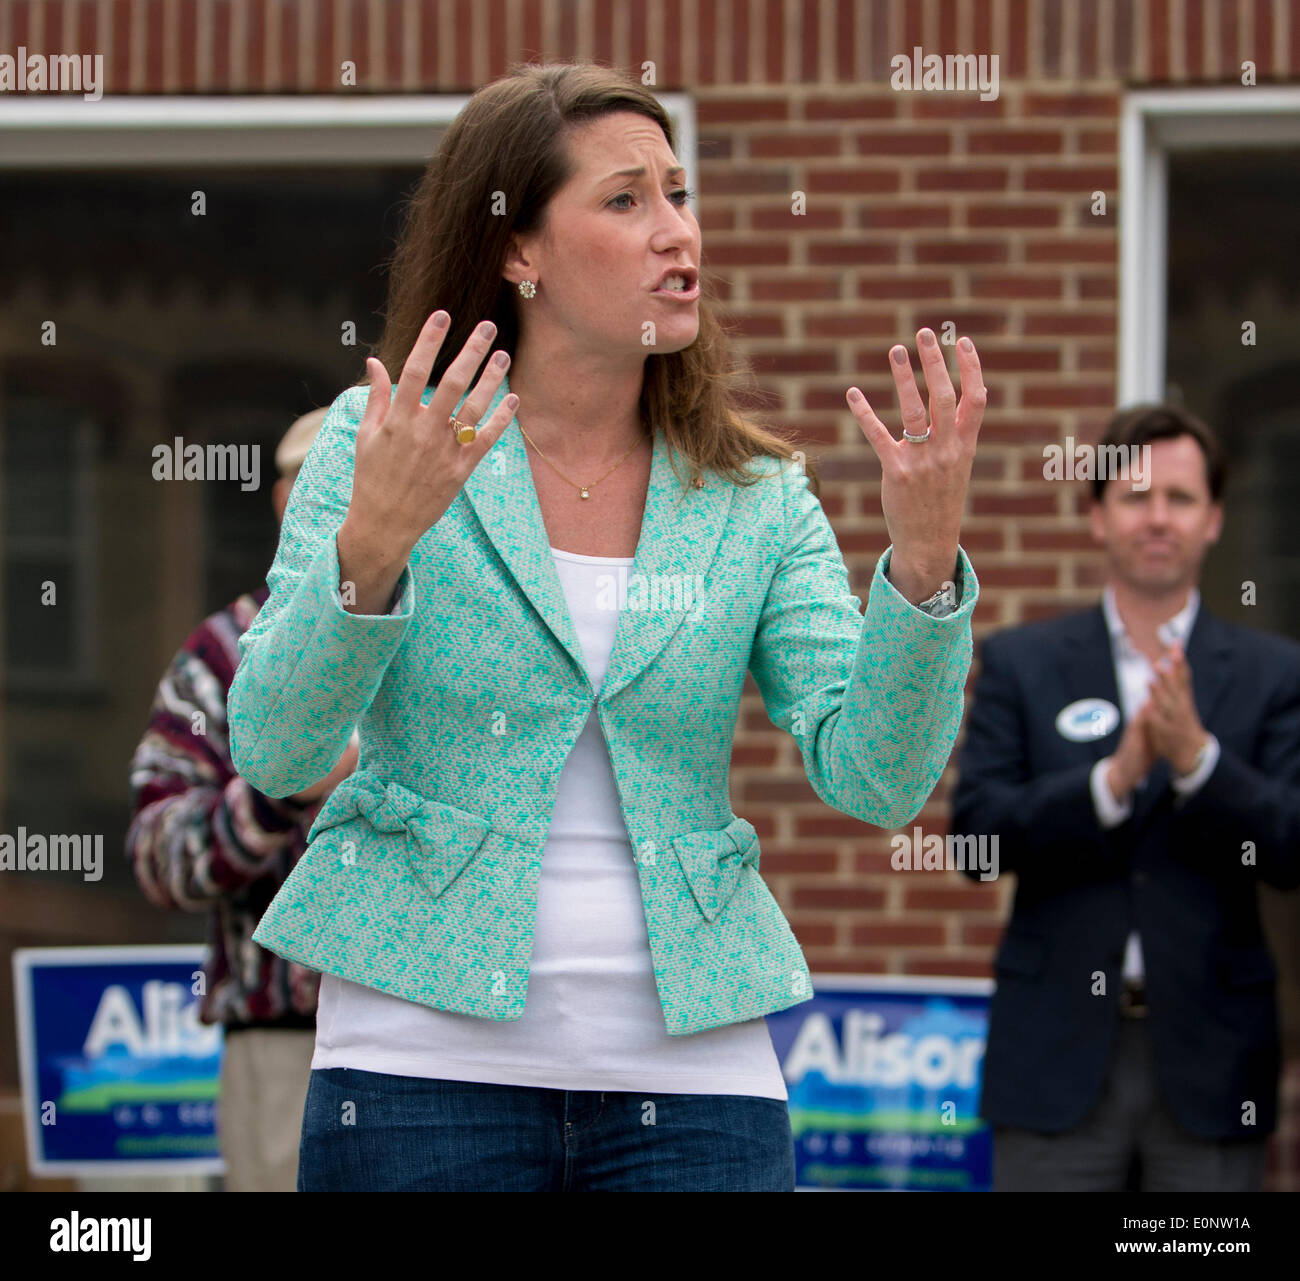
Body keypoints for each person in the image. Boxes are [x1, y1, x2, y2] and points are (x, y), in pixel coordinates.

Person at [228, 61, 987, 1193]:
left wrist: (922, 565)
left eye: (678, 194)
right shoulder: (382, 438)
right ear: (517, 250)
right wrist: (370, 549)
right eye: (626, 200)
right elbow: (275, 748)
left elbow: (874, 778)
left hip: (693, 1081)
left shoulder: (753, 493)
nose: (677, 233)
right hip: (417, 1066)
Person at [952, 404, 1300, 1192]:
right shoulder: (1023, 662)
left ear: (1213, 520)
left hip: (1212, 1064)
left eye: (1179, 499)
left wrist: (1198, 762)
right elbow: (976, 840)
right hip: (1055, 1059)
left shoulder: (1273, 674)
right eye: (1136, 496)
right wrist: (1108, 783)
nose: (1157, 517)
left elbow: (1289, 842)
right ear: (1096, 515)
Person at [126, 406, 358, 1192]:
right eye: (313, 475)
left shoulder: (451, 635)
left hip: (448, 1035)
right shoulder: (221, 657)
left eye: (357, 473)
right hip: (283, 1045)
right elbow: (159, 857)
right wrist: (276, 793)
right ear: (280, 496)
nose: (336, 492)